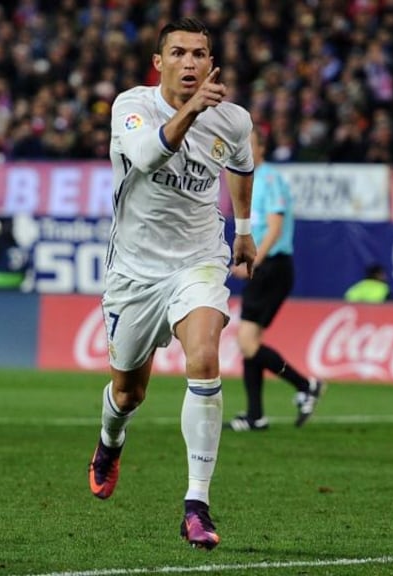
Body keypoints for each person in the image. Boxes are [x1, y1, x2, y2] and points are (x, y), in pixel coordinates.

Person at [87, 17, 255, 550]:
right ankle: (110, 442)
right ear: (159, 62)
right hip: (135, 273)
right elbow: (149, 154)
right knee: (128, 391)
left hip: (199, 261)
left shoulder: (233, 120)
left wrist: (245, 230)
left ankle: (196, 504)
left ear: (212, 63)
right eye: (178, 53)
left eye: (199, 54)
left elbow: (243, 167)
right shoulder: (130, 106)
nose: (190, 62)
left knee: (204, 357)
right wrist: (193, 110)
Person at [227, 127, 323, 433]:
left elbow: (275, 227)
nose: (242, 149)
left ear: (261, 149)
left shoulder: (270, 179)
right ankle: (256, 416)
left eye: (248, 144)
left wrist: (253, 259)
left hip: (273, 268)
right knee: (249, 343)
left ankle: (306, 385)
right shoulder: (247, 180)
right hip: (264, 268)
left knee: (247, 342)